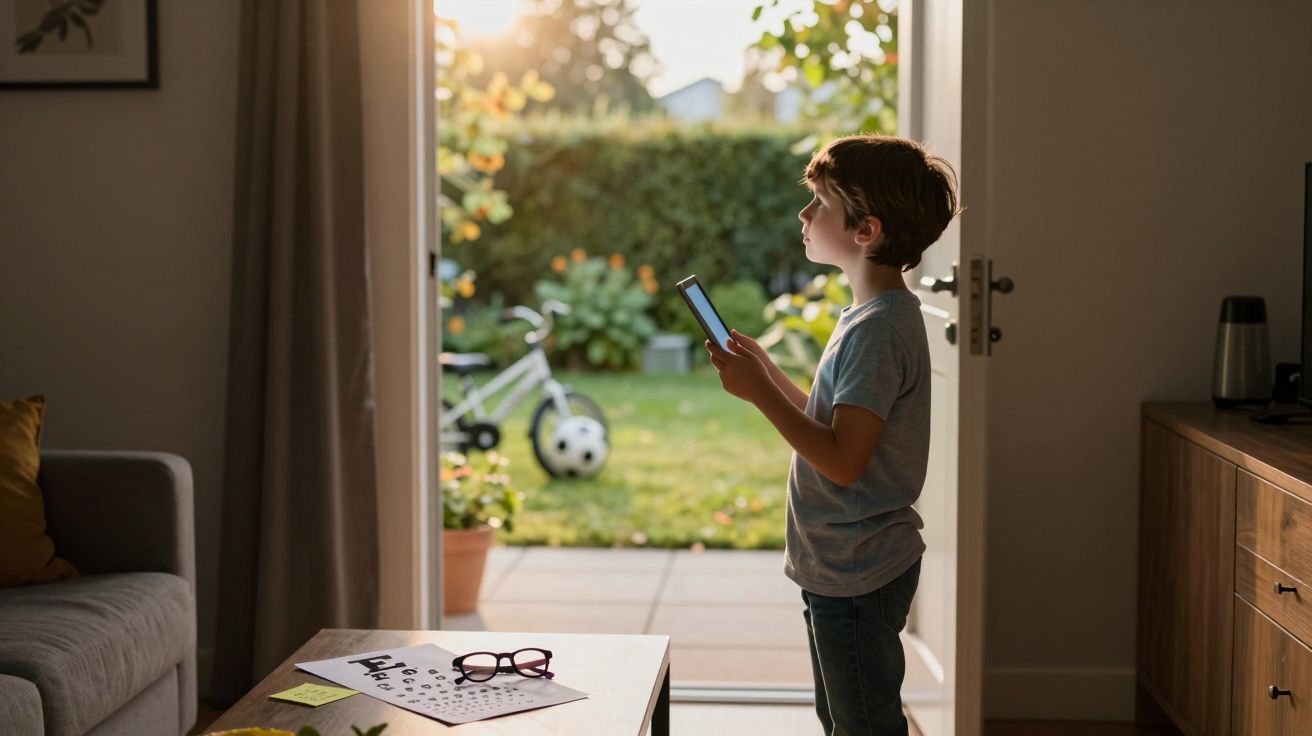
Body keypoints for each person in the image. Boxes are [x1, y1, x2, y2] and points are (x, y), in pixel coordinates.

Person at [705, 134, 960, 735]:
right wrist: (765, 370)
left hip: (856, 567)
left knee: (863, 722)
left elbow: (844, 462)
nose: (805, 213)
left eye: (819, 201)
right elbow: (834, 425)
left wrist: (760, 393)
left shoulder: (876, 332)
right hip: (848, 561)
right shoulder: (872, 316)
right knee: (846, 714)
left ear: (864, 230)